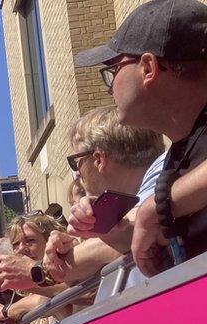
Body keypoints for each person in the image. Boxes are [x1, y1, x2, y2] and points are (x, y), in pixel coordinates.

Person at [73, 0, 207, 276]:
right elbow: (155, 233)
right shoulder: (179, 155)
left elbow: (158, 211)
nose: (109, 91)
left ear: (148, 67)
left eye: (113, 70)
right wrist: (108, 227)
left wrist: (160, 204)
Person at [38, 106, 165, 290]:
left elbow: (141, 230)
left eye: (76, 161)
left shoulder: (165, 176)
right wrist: (78, 240)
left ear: (98, 159)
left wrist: (44, 269)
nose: (76, 174)